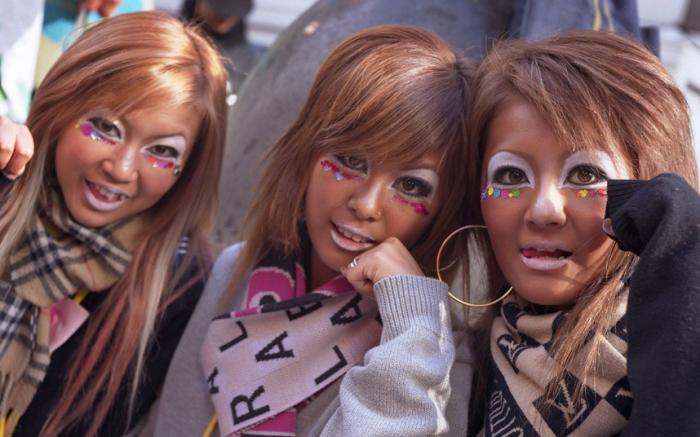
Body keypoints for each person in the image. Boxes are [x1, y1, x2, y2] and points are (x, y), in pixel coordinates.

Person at [143, 25, 475, 436]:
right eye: (350, 160)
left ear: (442, 209)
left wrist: (410, 331)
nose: (366, 204)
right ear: (307, 149)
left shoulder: (437, 355)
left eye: (411, 185)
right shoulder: (234, 271)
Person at [0, 11, 227, 436]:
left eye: (162, 151)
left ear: (189, 168)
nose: (121, 169)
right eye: (106, 127)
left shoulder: (179, 285)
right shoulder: (4, 191)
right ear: (61, 108)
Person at [464, 31, 699, 436]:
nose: (544, 211)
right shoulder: (457, 363)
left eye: (586, 174)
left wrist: (685, 249)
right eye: (512, 176)